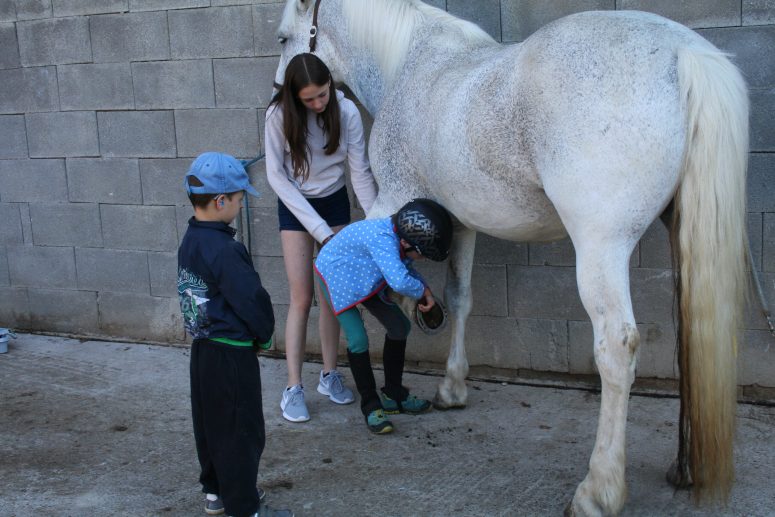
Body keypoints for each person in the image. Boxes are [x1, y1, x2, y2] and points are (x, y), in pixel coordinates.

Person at [177, 152, 293, 517]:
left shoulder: (190, 241)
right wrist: (264, 334)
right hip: (232, 356)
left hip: (203, 352)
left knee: (211, 428)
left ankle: (215, 492)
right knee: (242, 432)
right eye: (240, 199)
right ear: (221, 200)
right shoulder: (226, 249)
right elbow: (251, 299)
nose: (241, 206)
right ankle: (246, 508)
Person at [265, 53, 378, 423]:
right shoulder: (278, 117)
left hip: (334, 202)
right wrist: (318, 231)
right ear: (296, 97)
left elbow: (359, 171)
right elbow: (276, 177)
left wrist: (376, 223)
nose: (318, 103)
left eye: (323, 94)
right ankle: (293, 387)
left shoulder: (346, 113)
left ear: (331, 85)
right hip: (295, 206)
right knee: (302, 297)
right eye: (309, 98)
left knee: (336, 297)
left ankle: (329, 375)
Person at [314, 198, 454, 433]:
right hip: (336, 276)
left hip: (365, 276)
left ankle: (393, 394)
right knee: (358, 339)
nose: (425, 260)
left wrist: (425, 289)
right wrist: (422, 291)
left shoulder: (399, 237)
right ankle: (371, 405)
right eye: (424, 255)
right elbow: (399, 279)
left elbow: (406, 269)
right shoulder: (382, 239)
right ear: (404, 242)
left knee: (400, 327)